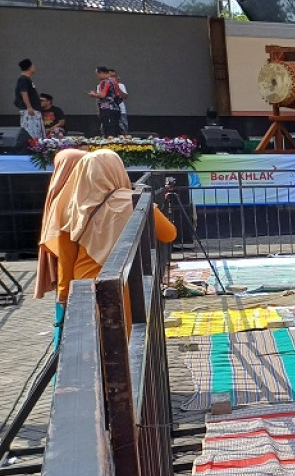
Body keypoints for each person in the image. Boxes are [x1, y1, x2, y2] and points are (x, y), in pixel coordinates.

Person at [54, 150, 176, 308]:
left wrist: (63, 295)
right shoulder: (134, 201)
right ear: (118, 170)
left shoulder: (71, 207)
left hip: (85, 287)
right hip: (126, 285)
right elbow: (169, 234)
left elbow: (66, 258)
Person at [35, 149, 87, 342]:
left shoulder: (57, 197)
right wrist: (64, 297)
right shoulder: (73, 201)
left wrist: (62, 296)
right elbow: (66, 255)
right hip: (81, 284)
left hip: (74, 284)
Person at [88, 66, 123, 136]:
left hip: (107, 109)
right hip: (116, 108)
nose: (97, 77)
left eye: (97, 74)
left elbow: (103, 95)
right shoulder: (115, 82)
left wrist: (94, 94)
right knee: (116, 130)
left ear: (101, 73)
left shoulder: (105, 82)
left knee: (108, 130)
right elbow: (118, 95)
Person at [14, 59, 42, 143]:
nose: (34, 67)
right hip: (30, 111)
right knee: (32, 133)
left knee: (37, 132)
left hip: (33, 109)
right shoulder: (23, 79)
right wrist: (29, 107)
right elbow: (24, 93)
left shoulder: (27, 79)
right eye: (33, 66)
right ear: (29, 67)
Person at [109, 69, 129, 134]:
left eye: (113, 76)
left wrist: (116, 86)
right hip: (108, 110)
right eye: (110, 76)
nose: (112, 78)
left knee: (123, 128)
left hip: (121, 110)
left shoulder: (121, 85)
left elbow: (125, 96)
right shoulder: (102, 85)